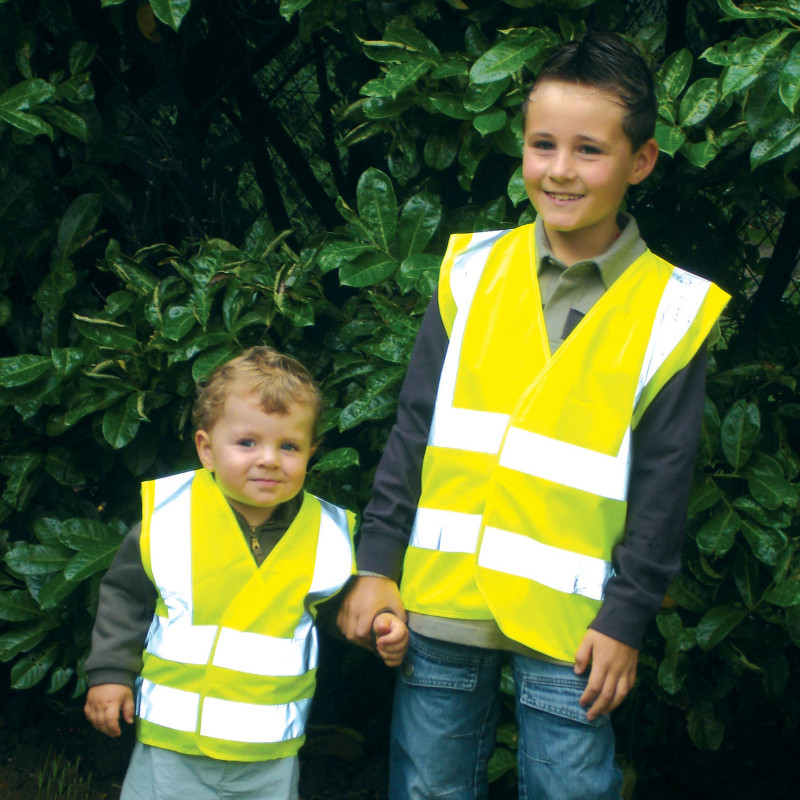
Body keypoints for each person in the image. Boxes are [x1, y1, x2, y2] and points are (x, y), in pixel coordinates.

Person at [337, 30, 729, 800]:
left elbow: (663, 483)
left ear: (640, 162)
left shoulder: (673, 310)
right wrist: (377, 564)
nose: (558, 170)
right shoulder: (472, 271)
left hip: (574, 626)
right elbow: (414, 427)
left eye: (589, 150)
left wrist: (626, 619)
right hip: (442, 603)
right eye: (541, 144)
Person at [84, 346, 408, 800]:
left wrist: (377, 627)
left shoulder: (327, 533)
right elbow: (125, 599)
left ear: (311, 452)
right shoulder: (171, 515)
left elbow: (341, 608)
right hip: (172, 746)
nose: (269, 459)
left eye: (288, 446)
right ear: (207, 448)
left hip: (269, 755)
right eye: (247, 443)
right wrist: (109, 674)